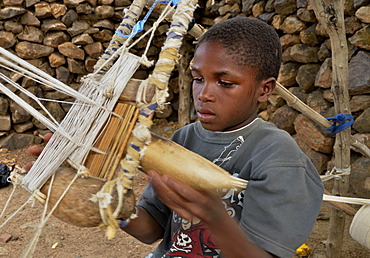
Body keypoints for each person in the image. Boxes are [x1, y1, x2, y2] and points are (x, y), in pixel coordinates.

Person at [28, 17, 324, 257]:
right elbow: (152, 231)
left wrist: (214, 218)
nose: (204, 94)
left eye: (225, 82)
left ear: (265, 89)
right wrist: (109, 203)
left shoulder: (278, 157)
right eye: (197, 79)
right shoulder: (183, 140)